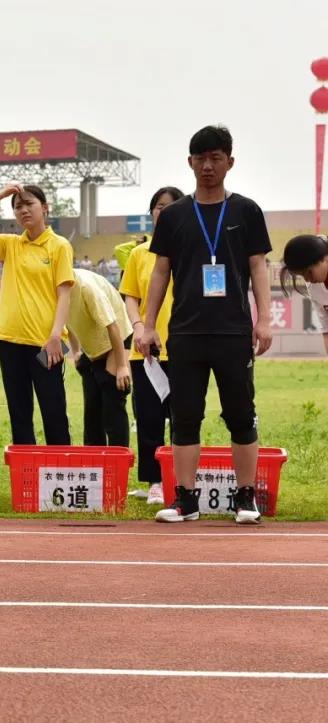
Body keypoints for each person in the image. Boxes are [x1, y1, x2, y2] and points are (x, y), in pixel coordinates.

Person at [138, 126, 272, 525]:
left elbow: (257, 266)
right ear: (190, 163)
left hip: (233, 331)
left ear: (230, 162)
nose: (208, 166)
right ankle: (185, 499)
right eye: (201, 159)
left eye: (216, 158)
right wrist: (147, 325)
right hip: (186, 332)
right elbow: (160, 272)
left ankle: (245, 498)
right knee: (184, 416)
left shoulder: (246, 211)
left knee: (241, 414)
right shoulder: (175, 216)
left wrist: (263, 319)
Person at [0, 184, 74, 445]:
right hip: (10, 340)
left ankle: (58, 468)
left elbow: (65, 293)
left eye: (29, 203)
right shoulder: (12, 244)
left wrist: (54, 336)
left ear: (45, 207)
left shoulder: (59, 246)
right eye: (18, 206)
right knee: (19, 412)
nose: (24, 210)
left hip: (46, 344)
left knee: (53, 410)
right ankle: (26, 474)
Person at [120, 186, 183, 505]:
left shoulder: (190, 248)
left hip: (184, 351)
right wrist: (139, 327)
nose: (163, 212)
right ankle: (155, 481)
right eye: (158, 206)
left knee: (183, 419)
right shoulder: (138, 254)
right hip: (145, 351)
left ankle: (180, 479)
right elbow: (131, 296)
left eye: (170, 207)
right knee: (148, 418)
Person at [66, 268, 132, 447]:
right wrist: (76, 351)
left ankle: (118, 459)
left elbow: (113, 326)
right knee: (92, 407)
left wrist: (122, 367)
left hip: (118, 337)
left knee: (112, 397)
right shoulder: (53, 290)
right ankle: (93, 462)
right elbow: (67, 322)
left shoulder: (87, 288)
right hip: (93, 347)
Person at [280, 234, 328, 354]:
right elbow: (326, 329)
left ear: (324, 259)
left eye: (309, 272)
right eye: (302, 275)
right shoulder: (314, 287)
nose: (307, 280)